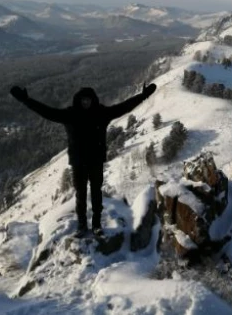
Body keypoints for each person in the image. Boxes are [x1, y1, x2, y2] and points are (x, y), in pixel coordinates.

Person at [10, 83, 157, 237]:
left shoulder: (102, 113)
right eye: (83, 100)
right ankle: (82, 225)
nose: (86, 103)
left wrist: (143, 96)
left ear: (93, 100)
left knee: (96, 194)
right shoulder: (70, 114)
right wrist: (26, 101)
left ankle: (96, 225)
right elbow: (47, 112)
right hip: (78, 163)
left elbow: (124, 107)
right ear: (78, 100)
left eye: (88, 100)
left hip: (95, 161)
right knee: (80, 196)